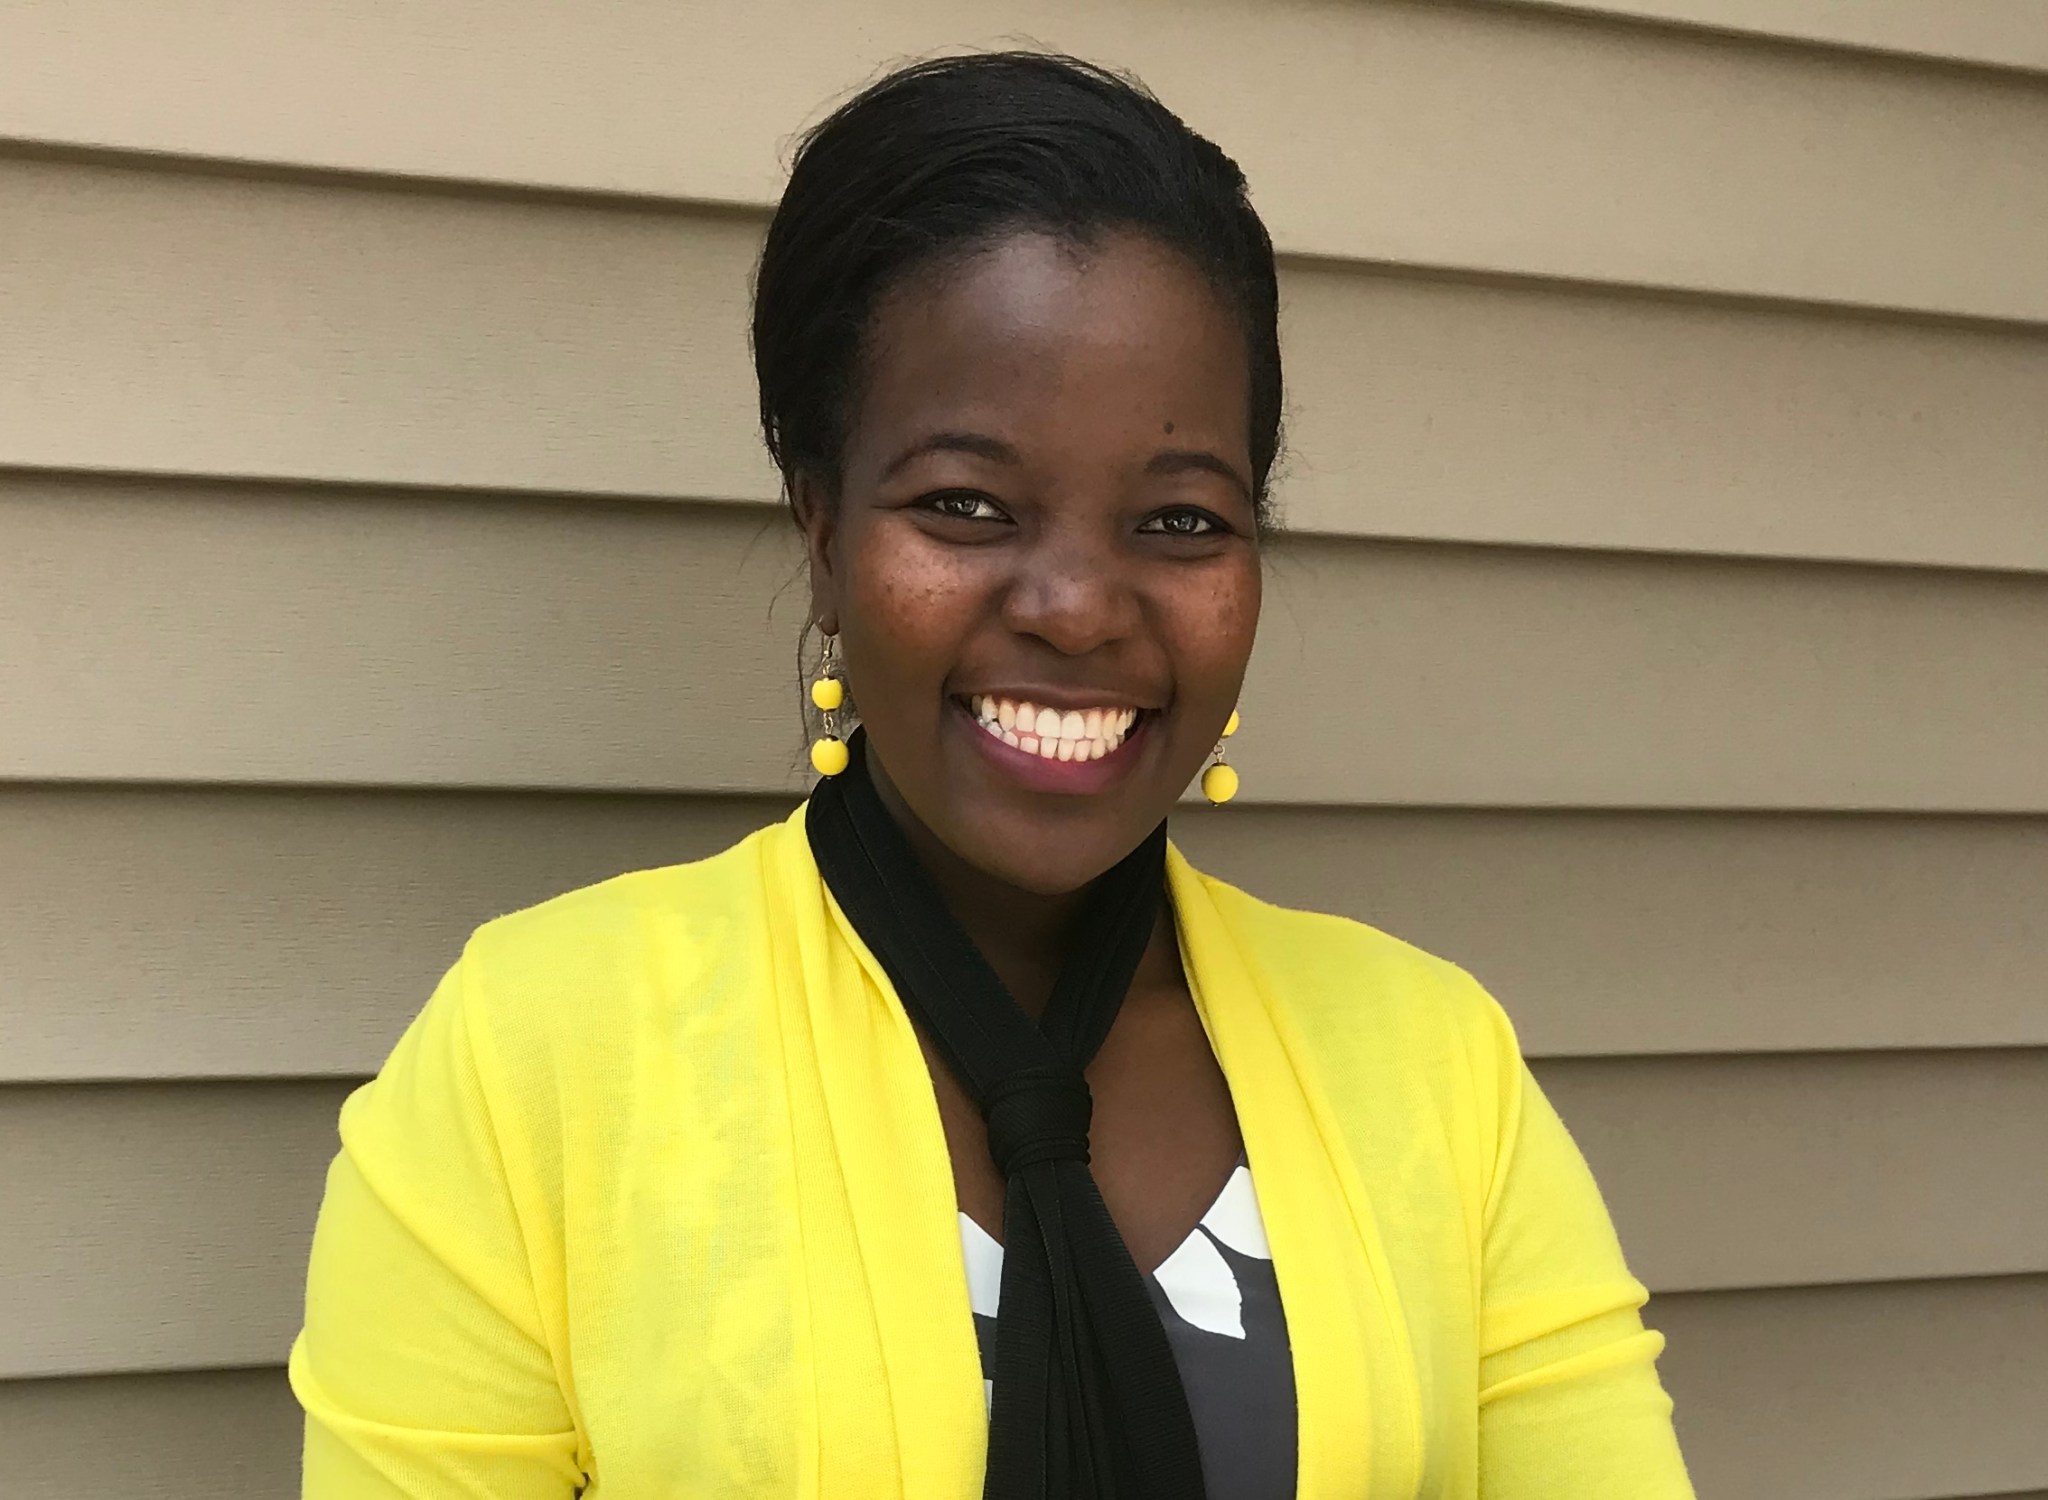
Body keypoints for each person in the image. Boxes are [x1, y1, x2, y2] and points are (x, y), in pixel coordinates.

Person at [290, 51, 1694, 1500]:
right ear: (824, 533)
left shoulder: (1435, 1068)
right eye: (964, 504)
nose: (1079, 606)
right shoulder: (534, 1067)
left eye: (1181, 520)